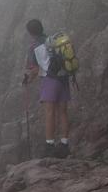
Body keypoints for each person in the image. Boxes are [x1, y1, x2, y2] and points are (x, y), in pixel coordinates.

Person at [22, 18, 71, 158]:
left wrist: (28, 80)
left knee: (50, 112)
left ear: (30, 33)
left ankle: (49, 146)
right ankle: (64, 144)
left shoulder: (34, 47)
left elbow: (36, 69)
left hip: (49, 80)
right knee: (63, 112)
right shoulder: (53, 41)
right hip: (63, 78)